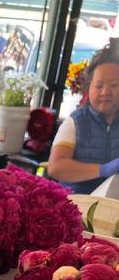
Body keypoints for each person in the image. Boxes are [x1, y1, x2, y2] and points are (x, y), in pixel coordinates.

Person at [48, 37, 119, 193]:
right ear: (88, 88)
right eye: (99, 86)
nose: (106, 92)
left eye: (114, 85)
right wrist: (103, 170)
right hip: (76, 207)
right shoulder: (76, 122)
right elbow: (55, 167)